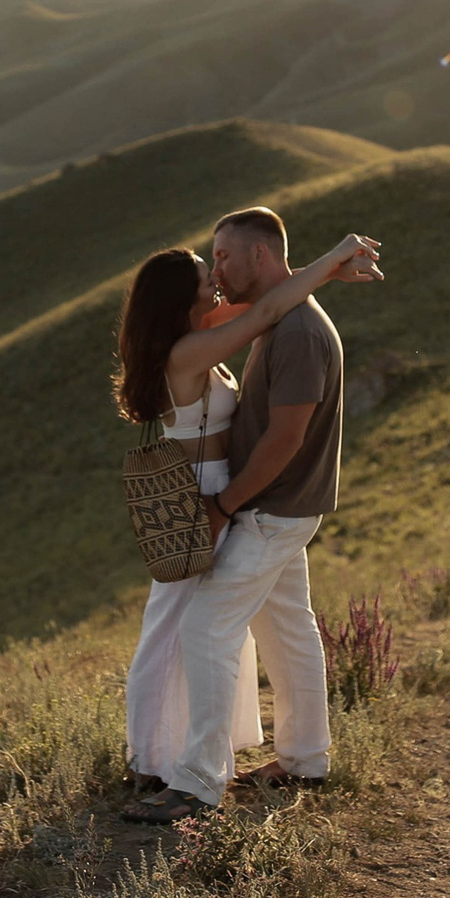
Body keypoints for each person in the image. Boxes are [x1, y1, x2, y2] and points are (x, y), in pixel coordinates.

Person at [110, 222, 381, 810]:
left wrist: (329, 266)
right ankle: (167, 758)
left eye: (223, 261)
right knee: (205, 630)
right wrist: (333, 261)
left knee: (218, 630)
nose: (218, 279)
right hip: (216, 501)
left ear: (257, 253)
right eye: (209, 273)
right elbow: (268, 306)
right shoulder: (192, 345)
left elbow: (275, 301)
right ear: (183, 302)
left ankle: (200, 778)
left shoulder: (235, 329)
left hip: (244, 503)